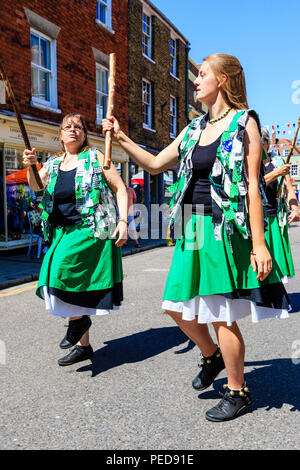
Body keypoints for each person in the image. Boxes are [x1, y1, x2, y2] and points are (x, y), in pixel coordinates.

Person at [102, 54, 291, 422]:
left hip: (221, 227)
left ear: (222, 80)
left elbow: (253, 186)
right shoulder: (193, 129)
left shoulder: (243, 122)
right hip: (191, 226)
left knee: (220, 313)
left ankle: (238, 391)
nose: (196, 80)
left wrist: (259, 243)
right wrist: (121, 136)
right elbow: (156, 164)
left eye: (202, 74)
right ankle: (212, 355)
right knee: (174, 306)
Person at [23, 113, 128, 367]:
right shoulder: (54, 163)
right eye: (67, 127)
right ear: (60, 135)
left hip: (90, 230)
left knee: (56, 271)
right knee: (74, 286)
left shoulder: (96, 158)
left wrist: (123, 222)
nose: (73, 130)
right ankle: (84, 346)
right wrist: (31, 165)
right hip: (62, 231)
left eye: (78, 127)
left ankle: (80, 323)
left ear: (84, 134)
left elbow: (120, 188)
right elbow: (36, 186)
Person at [261, 127, 299, 282]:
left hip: (274, 219)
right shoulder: (248, 164)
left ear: (266, 143)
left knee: (275, 267)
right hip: (254, 220)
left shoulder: (278, 162)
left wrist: (295, 208)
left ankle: (277, 301)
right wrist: (277, 173)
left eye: (260, 140)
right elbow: (253, 184)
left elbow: (289, 190)